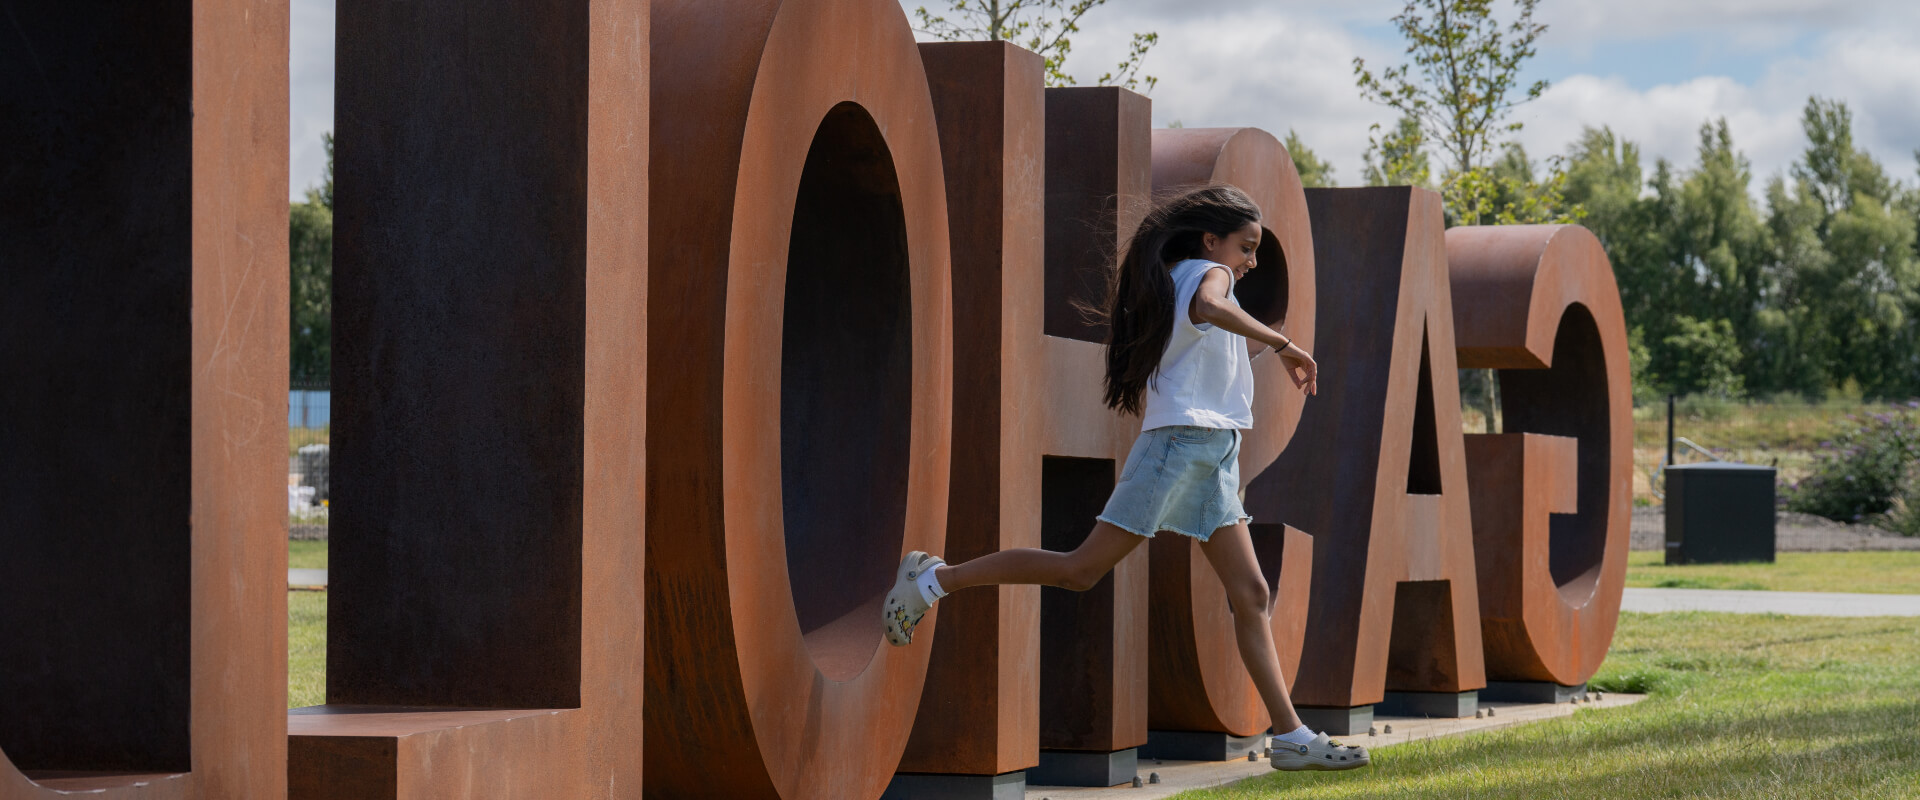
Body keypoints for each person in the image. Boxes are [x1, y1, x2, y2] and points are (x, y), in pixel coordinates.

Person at [881, 184, 1368, 772]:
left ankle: (1289, 737)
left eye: (1254, 251)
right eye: (1247, 246)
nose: (1251, 261)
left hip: (1213, 453)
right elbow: (1212, 308)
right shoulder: (1209, 273)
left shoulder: (1188, 273)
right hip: (1180, 447)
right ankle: (934, 579)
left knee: (1252, 594)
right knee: (1079, 570)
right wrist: (1285, 344)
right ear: (1213, 240)